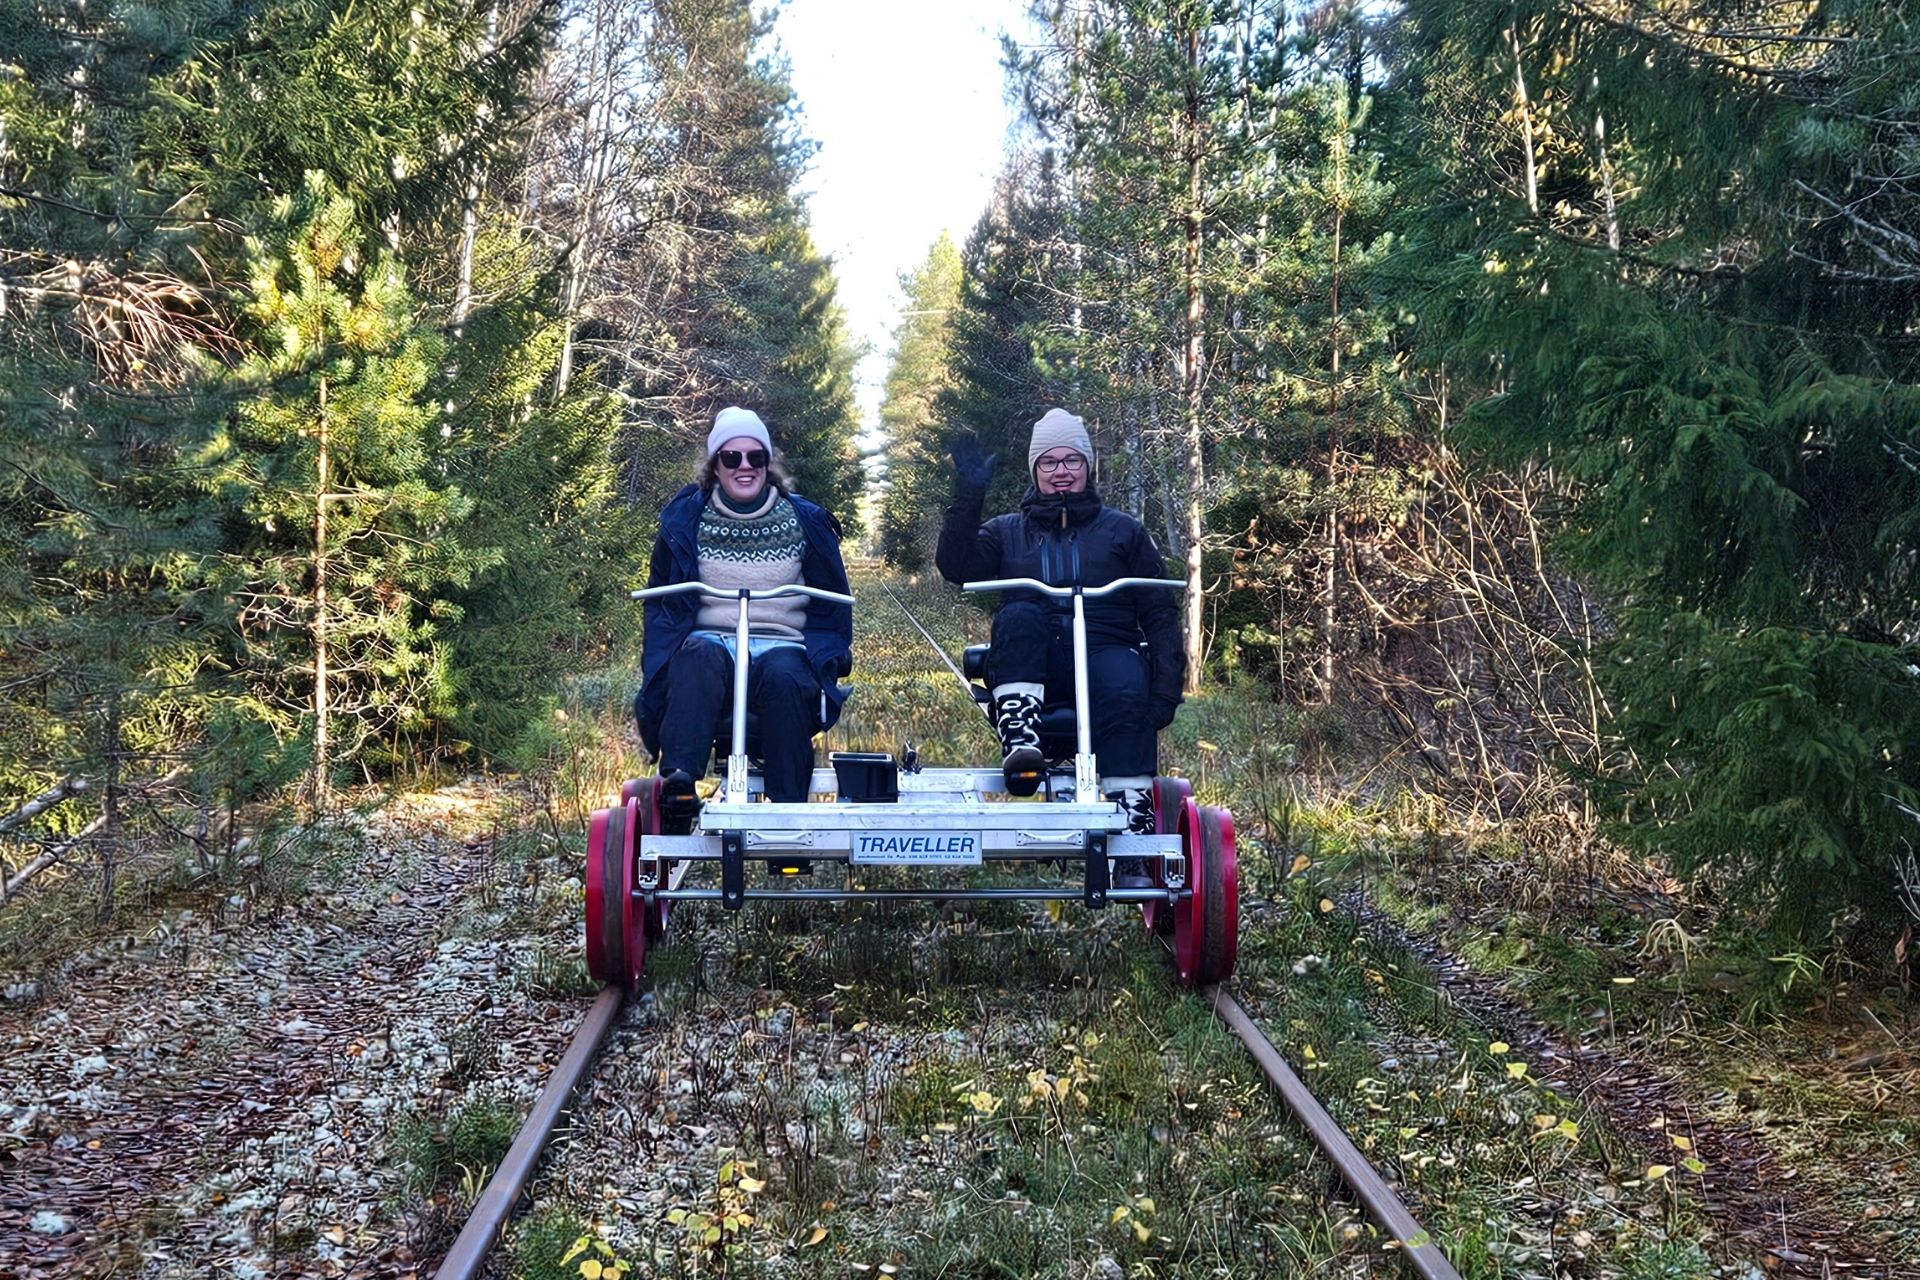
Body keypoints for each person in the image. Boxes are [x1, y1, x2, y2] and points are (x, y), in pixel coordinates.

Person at [936, 408, 1184, 847]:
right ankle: (1021, 738)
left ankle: (1131, 809)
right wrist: (968, 495)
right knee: (1019, 612)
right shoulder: (1007, 532)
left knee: (1126, 674)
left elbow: (1160, 613)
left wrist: (1166, 690)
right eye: (1049, 462)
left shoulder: (1124, 532)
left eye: (1072, 461)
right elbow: (955, 566)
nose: (1061, 472)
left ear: (1088, 467)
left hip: (1105, 652)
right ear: (1035, 471)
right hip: (1035, 659)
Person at [634, 406, 853, 809]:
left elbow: (833, 600)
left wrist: (830, 654)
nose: (744, 466)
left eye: (756, 457)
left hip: (779, 642)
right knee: (697, 657)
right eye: (731, 457)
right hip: (710, 640)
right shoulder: (685, 520)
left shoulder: (805, 521)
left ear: (768, 464)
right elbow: (662, 599)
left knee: (786, 676)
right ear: (715, 465)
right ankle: (679, 781)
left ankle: (789, 807)